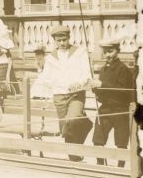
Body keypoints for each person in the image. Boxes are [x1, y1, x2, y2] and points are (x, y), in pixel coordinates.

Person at [38, 25, 94, 161]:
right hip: (59, 95)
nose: (62, 43)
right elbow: (46, 77)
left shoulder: (80, 52)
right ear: (54, 41)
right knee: (65, 129)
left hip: (76, 94)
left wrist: (79, 83)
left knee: (73, 120)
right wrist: (47, 85)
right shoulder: (51, 57)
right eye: (58, 40)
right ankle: (74, 153)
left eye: (64, 39)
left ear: (69, 38)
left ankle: (74, 152)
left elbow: (87, 72)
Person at [92, 36, 135, 167]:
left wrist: (102, 84)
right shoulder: (103, 69)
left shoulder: (123, 69)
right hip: (105, 107)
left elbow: (123, 90)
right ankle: (100, 165)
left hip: (120, 109)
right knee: (98, 138)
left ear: (117, 51)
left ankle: (120, 167)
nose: (107, 55)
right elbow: (101, 91)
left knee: (121, 141)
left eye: (110, 51)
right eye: (105, 52)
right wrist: (95, 89)